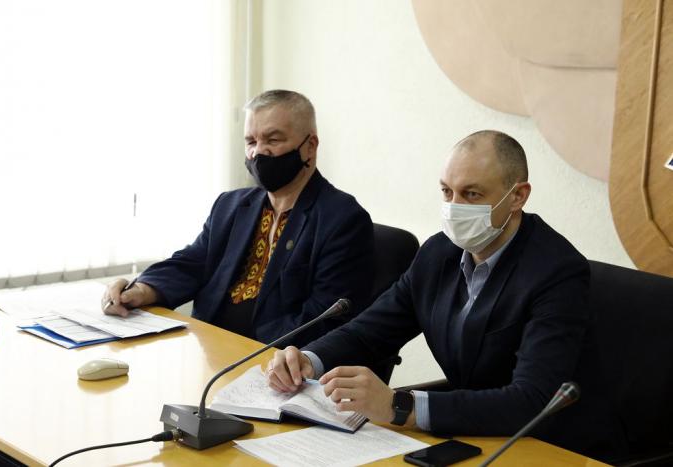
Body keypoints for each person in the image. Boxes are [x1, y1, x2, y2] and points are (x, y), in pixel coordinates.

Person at [266, 130, 620, 458]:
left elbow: (532, 400)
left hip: (552, 446)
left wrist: (400, 406)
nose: (454, 207)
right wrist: (309, 359)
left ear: (517, 196)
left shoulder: (556, 271)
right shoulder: (438, 253)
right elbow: (369, 332)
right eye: (447, 192)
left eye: (472, 194)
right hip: (472, 433)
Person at [102, 90, 374, 347]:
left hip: (272, 360)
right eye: (251, 142)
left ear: (310, 146)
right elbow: (192, 263)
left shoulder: (342, 219)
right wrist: (142, 289)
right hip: (208, 348)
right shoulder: (230, 205)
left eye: (273, 140)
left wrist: (245, 350)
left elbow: (323, 318)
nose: (259, 152)